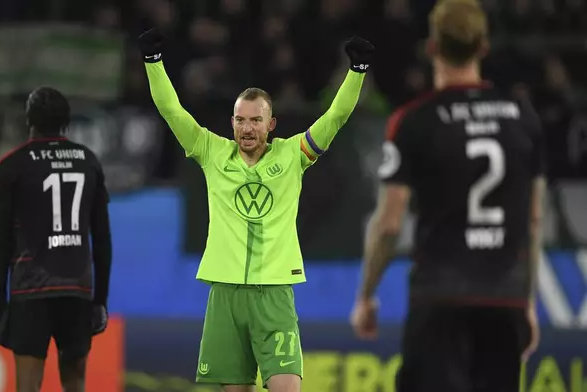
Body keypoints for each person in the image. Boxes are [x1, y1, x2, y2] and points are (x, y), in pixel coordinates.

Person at [138, 28, 373, 392]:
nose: (247, 128)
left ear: (271, 124)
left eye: (256, 120)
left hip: (274, 293)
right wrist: (153, 63)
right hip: (225, 295)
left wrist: (356, 70)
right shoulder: (210, 151)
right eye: (241, 120)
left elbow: (336, 116)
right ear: (232, 123)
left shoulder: (294, 155)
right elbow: (171, 109)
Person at [350, 0, 546, 391]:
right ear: (484, 48)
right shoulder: (522, 118)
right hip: (503, 300)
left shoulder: (414, 121)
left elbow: (389, 224)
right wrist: (527, 302)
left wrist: (366, 295)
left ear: (432, 48)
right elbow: (533, 220)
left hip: (440, 298)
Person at [0, 87, 112, 392]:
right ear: (67, 121)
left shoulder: (11, 165)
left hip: (30, 290)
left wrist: (1, 306)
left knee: (27, 387)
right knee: (75, 384)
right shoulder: (88, 161)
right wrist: (100, 301)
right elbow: (103, 239)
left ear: (28, 119)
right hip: (77, 289)